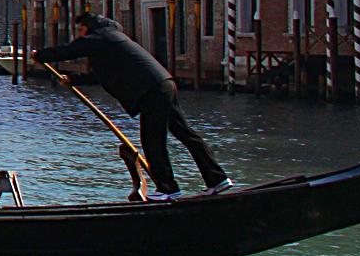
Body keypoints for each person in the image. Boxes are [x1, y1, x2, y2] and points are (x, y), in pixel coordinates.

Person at [37, 12, 231, 200]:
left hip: (152, 91)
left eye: (80, 29)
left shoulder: (100, 36)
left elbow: (71, 50)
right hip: (163, 84)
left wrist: (40, 55)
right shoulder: (111, 39)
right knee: (185, 133)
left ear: (88, 27)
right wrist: (74, 80)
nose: (79, 33)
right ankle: (218, 179)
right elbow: (104, 75)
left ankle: (168, 189)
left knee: (152, 140)